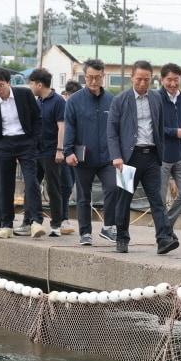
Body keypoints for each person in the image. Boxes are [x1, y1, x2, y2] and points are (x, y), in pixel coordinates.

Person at [107, 60, 180, 255]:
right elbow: (112, 131)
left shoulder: (156, 99)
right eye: (139, 79)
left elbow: (160, 125)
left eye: (146, 80)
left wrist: (160, 154)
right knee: (124, 199)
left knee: (157, 199)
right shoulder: (120, 100)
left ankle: (163, 239)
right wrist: (117, 156)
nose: (142, 83)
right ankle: (122, 238)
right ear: (131, 77)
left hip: (151, 157)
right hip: (128, 158)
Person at [0, 67, 44, 239]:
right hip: (4, 144)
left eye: (0, 85)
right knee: (4, 185)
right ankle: (6, 224)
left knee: (31, 181)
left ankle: (36, 221)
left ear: (8, 83)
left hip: (26, 141)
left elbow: (37, 118)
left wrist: (34, 141)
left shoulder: (24, 95)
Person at [64, 59, 118, 246]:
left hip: (107, 158)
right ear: (84, 77)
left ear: (103, 76)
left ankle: (109, 227)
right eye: (89, 77)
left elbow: (118, 129)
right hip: (82, 157)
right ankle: (85, 233)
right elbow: (69, 127)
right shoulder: (74, 101)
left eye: (97, 77)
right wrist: (67, 151)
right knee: (83, 196)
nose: (93, 81)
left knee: (113, 188)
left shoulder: (112, 100)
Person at [28, 68, 67, 236]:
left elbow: (62, 127)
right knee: (31, 186)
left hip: (51, 152)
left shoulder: (58, 101)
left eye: (31, 83)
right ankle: (32, 221)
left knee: (53, 188)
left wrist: (60, 150)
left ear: (39, 84)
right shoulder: (37, 102)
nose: (30, 87)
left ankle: (56, 224)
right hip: (35, 151)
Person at [157, 62, 181, 224]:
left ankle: (167, 223)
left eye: (176, 79)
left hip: (180, 155)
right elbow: (154, 126)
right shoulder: (156, 98)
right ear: (162, 80)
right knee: (159, 198)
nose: (173, 83)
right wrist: (175, 132)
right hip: (162, 156)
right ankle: (163, 232)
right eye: (169, 79)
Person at [57, 80, 81, 235]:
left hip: (74, 152)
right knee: (64, 186)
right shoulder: (62, 106)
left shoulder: (78, 108)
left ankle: (62, 218)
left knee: (69, 186)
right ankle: (61, 218)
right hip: (61, 152)